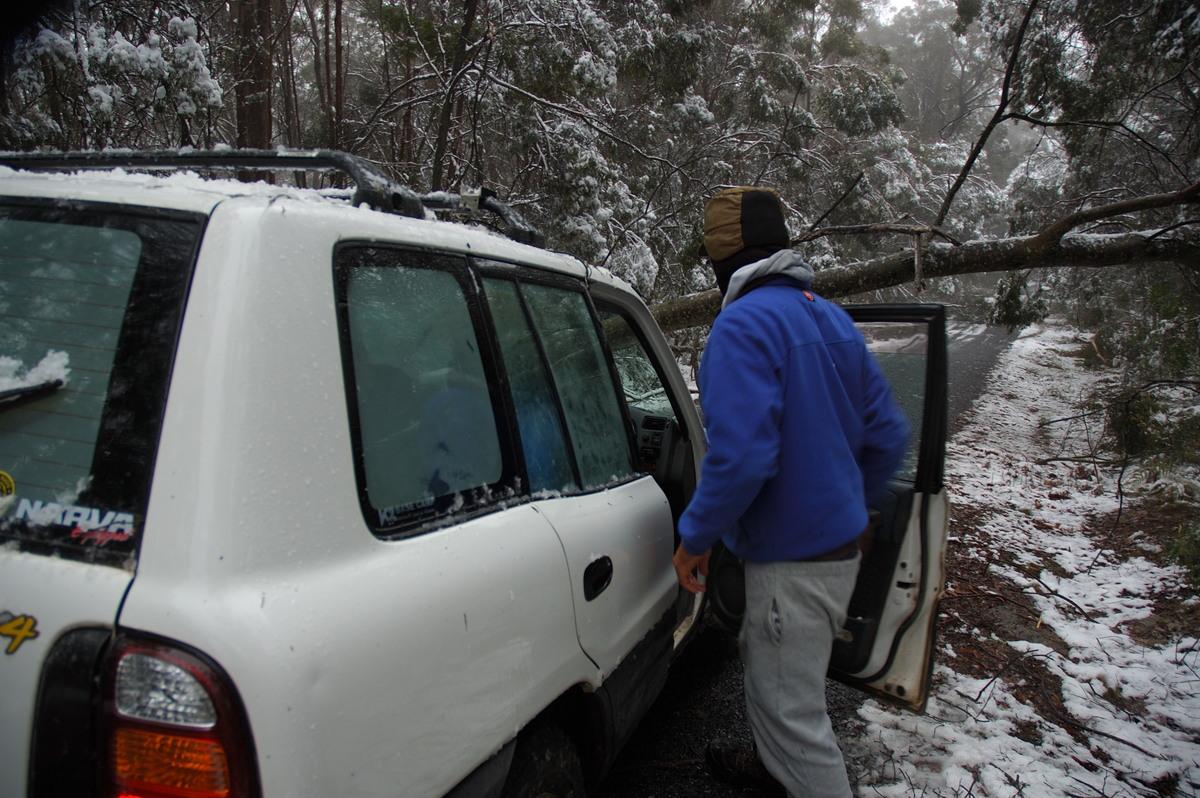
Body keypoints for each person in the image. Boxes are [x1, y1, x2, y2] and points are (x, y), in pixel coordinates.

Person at [672, 186, 909, 797]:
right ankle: (769, 767)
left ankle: (790, 771)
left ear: (725, 257)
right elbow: (887, 436)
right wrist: (843, 507)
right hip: (836, 555)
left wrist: (694, 537)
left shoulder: (740, 324)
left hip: (790, 564)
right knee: (780, 685)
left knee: (794, 719)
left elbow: (743, 457)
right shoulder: (829, 316)